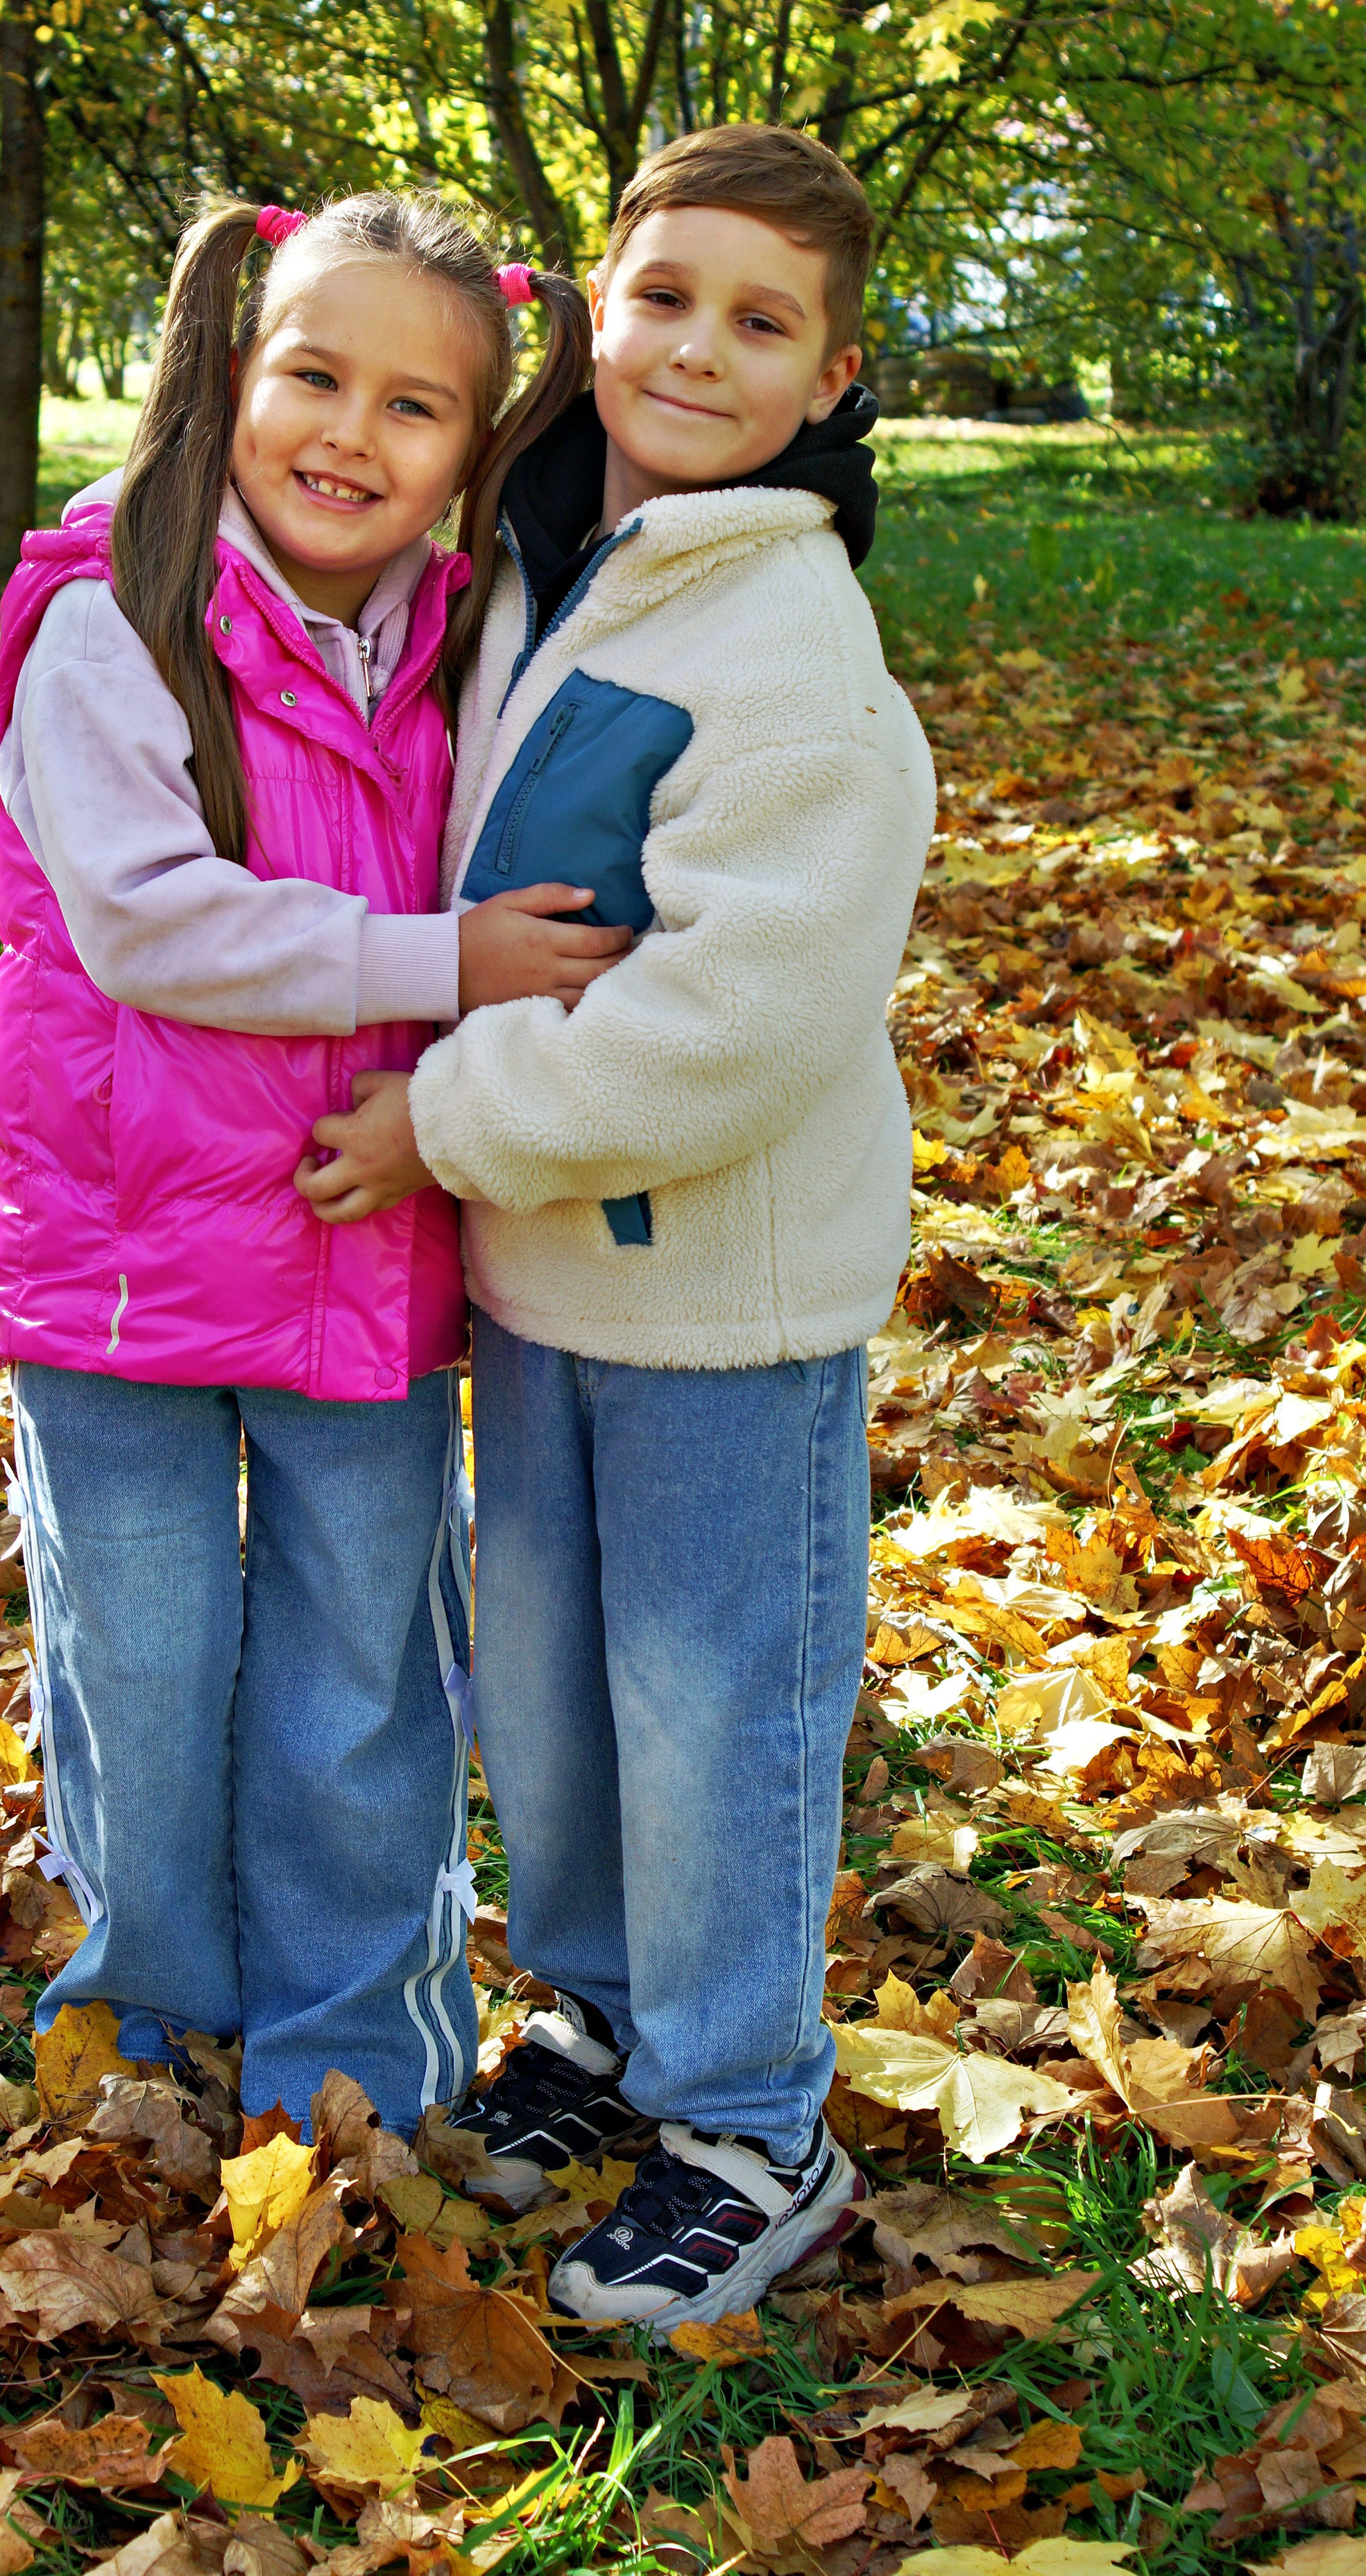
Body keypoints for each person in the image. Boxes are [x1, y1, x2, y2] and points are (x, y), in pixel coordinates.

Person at [297, 128, 936, 2321]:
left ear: (834, 378)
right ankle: (607, 2020)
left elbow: (736, 1021)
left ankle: (756, 2120)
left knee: (708, 1701)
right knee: (555, 1695)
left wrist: (440, 1116)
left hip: (723, 1295)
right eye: (669, 297)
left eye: (764, 325)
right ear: (596, 297)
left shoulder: (793, 651)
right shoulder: (546, 561)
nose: (699, 349)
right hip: (548, 1267)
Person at [0, 190, 617, 2135]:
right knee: (145, 1668)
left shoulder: (462, 646)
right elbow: (151, 922)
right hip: (124, 1269)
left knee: (361, 1680)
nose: (354, 435)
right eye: (315, 376)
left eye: (419, 408)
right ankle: (153, 2025)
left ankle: (362, 2061)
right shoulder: (116, 617)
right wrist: (447, 966)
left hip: (363, 1254)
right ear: (232, 371)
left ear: (477, 448)